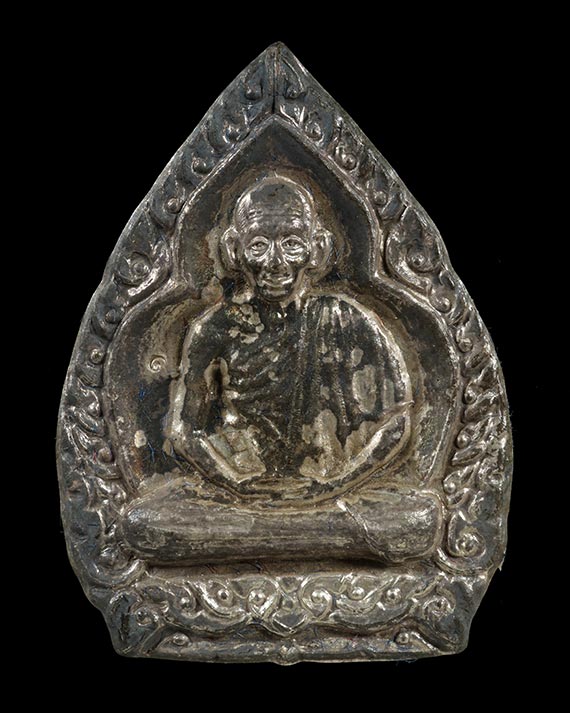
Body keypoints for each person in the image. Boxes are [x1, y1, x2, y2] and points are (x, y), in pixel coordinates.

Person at [165, 174, 412, 496]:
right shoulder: (214, 329)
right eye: (258, 245)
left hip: (333, 489)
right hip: (242, 492)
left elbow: (397, 420)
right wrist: (237, 485)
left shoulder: (347, 320)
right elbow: (185, 431)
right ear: (233, 249)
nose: (275, 262)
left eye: (292, 244)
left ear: (317, 248)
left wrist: (340, 483)